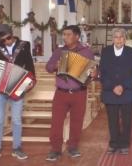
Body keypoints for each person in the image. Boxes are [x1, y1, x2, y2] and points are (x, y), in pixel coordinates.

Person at [0, 24, 36, 161]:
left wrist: (31, 82)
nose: (7, 41)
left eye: (9, 38)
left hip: (17, 87)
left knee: (16, 120)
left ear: (12, 33)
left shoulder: (24, 45)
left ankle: (17, 148)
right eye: (3, 40)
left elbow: (29, 66)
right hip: (0, 87)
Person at [45, 25, 98, 161]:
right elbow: (48, 67)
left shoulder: (86, 52)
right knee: (56, 122)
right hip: (61, 93)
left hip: (79, 92)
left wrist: (94, 73)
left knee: (77, 121)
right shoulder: (59, 51)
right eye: (64, 34)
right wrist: (55, 66)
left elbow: (93, 73)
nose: (65, 37)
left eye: (68, 35)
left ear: (77, 36)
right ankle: (55, 149)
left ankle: (73, 147)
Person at [99, 28, 132, 155]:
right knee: (112, 120)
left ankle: (124, 143)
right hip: (110, 91)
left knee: (127, 120)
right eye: (116, 37)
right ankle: (114, 143)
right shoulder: (105, 52)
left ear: (125, 39)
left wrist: (123, 86)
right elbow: (102, 73)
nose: (119, 39)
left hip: (127, 91)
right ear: (112, 39)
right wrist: (112, 87)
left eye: (121, 37)